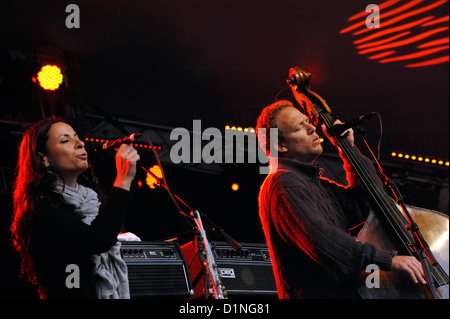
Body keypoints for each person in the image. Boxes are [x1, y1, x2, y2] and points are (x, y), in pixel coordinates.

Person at [256, 100, 426, 299]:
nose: (312, 128)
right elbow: (322, 242)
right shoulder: (282, 183)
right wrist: (388, 260)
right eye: (298, 127)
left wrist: (349, 150)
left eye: (307, 122)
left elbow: (365, 206)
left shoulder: (319, 185)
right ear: (280, 145)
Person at [10, 117, 140, 299]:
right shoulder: (41, 208)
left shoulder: (93, 200)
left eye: (77, 137)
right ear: (44, 158)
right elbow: (96, 241)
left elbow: (103, 235)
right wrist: (123, 180)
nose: (80, 143)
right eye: (65, 140)